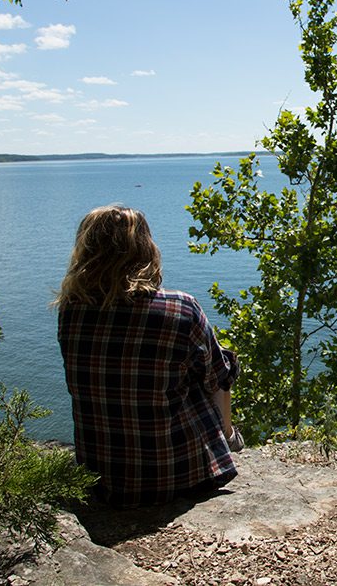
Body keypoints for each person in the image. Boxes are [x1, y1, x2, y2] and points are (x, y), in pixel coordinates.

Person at [55, 205, 243, 508]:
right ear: (146, 249)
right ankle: (230, 436)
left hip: (100, 477)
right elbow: (216, 379)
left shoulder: (70, 311)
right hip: (177, 473)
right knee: (217, 366)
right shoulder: (180, 307)